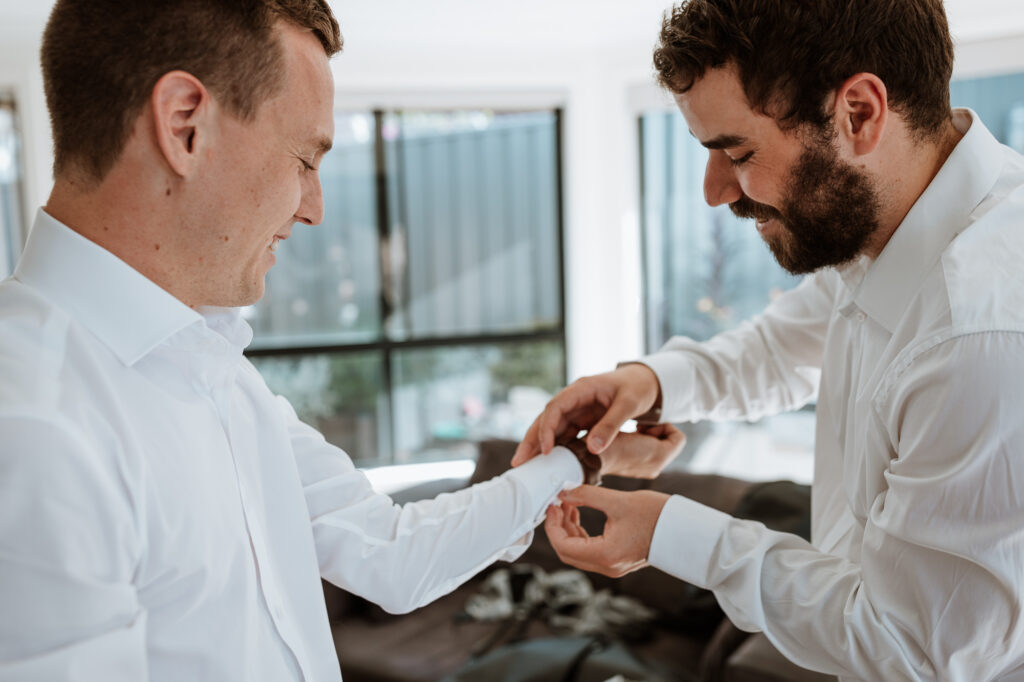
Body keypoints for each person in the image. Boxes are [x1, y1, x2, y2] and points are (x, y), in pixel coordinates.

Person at [0, 2, 685, 681]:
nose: (315, 208)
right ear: (185, 125)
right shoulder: (32, 426)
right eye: (305, 158)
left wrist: (580, 458)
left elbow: (390, 551)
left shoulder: (210, 368)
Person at [513, 0, 1024, 679]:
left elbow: (909, 649)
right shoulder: (892, 219)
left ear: (859, 114)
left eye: (737, 152)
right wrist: (650, 384)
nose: (714, 191)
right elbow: (784, 348)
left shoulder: (980, 337)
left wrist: (672, 534)